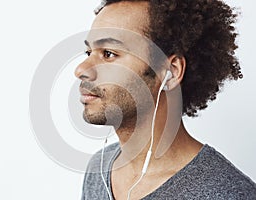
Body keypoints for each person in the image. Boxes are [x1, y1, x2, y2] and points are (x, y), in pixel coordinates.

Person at [75, 0, 256, 199]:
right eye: (89, 52)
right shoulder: (99, 169)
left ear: (170, 72)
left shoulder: (227, 193)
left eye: (108, 54)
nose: (81, 70)